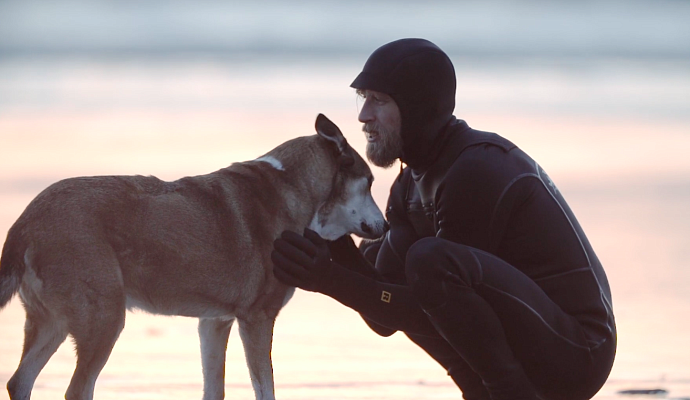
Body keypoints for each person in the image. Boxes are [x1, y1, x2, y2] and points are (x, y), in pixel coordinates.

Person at [271, 38, 616, 400]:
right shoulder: (408, 187)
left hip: (577, 353)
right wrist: (334, 243)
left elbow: (428, 304)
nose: (363, 115)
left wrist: (329, 278)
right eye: (364, 97)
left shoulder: (476, 169)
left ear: (417, 108)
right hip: (533, 348)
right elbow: (385, 314)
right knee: (394, 261)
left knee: (430, 263)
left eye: (380, 99)